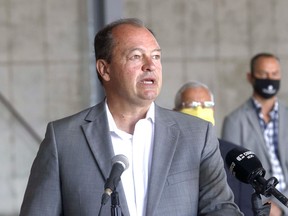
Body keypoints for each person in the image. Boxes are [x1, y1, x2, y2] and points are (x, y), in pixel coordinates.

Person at [19, 18, 243, 216]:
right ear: (104, 69)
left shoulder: (197, 135)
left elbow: (220, 208)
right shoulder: (63, 139)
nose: (150, 66)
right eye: (136, 56)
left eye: (156, 56)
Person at [174, 80, 254, 216]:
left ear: (214, 110)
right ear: (175, 112)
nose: (199, 109)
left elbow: (246, 208)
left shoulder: (235, 157)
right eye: (191, 105)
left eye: (207, 105)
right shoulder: (165, 156)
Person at [222, 53, 288, 216]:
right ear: (251, 77)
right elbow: (234, 177)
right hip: (262, 203)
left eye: (274, 74)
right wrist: (268, 205)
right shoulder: (234, 121)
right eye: (263, 74)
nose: (269, 78)